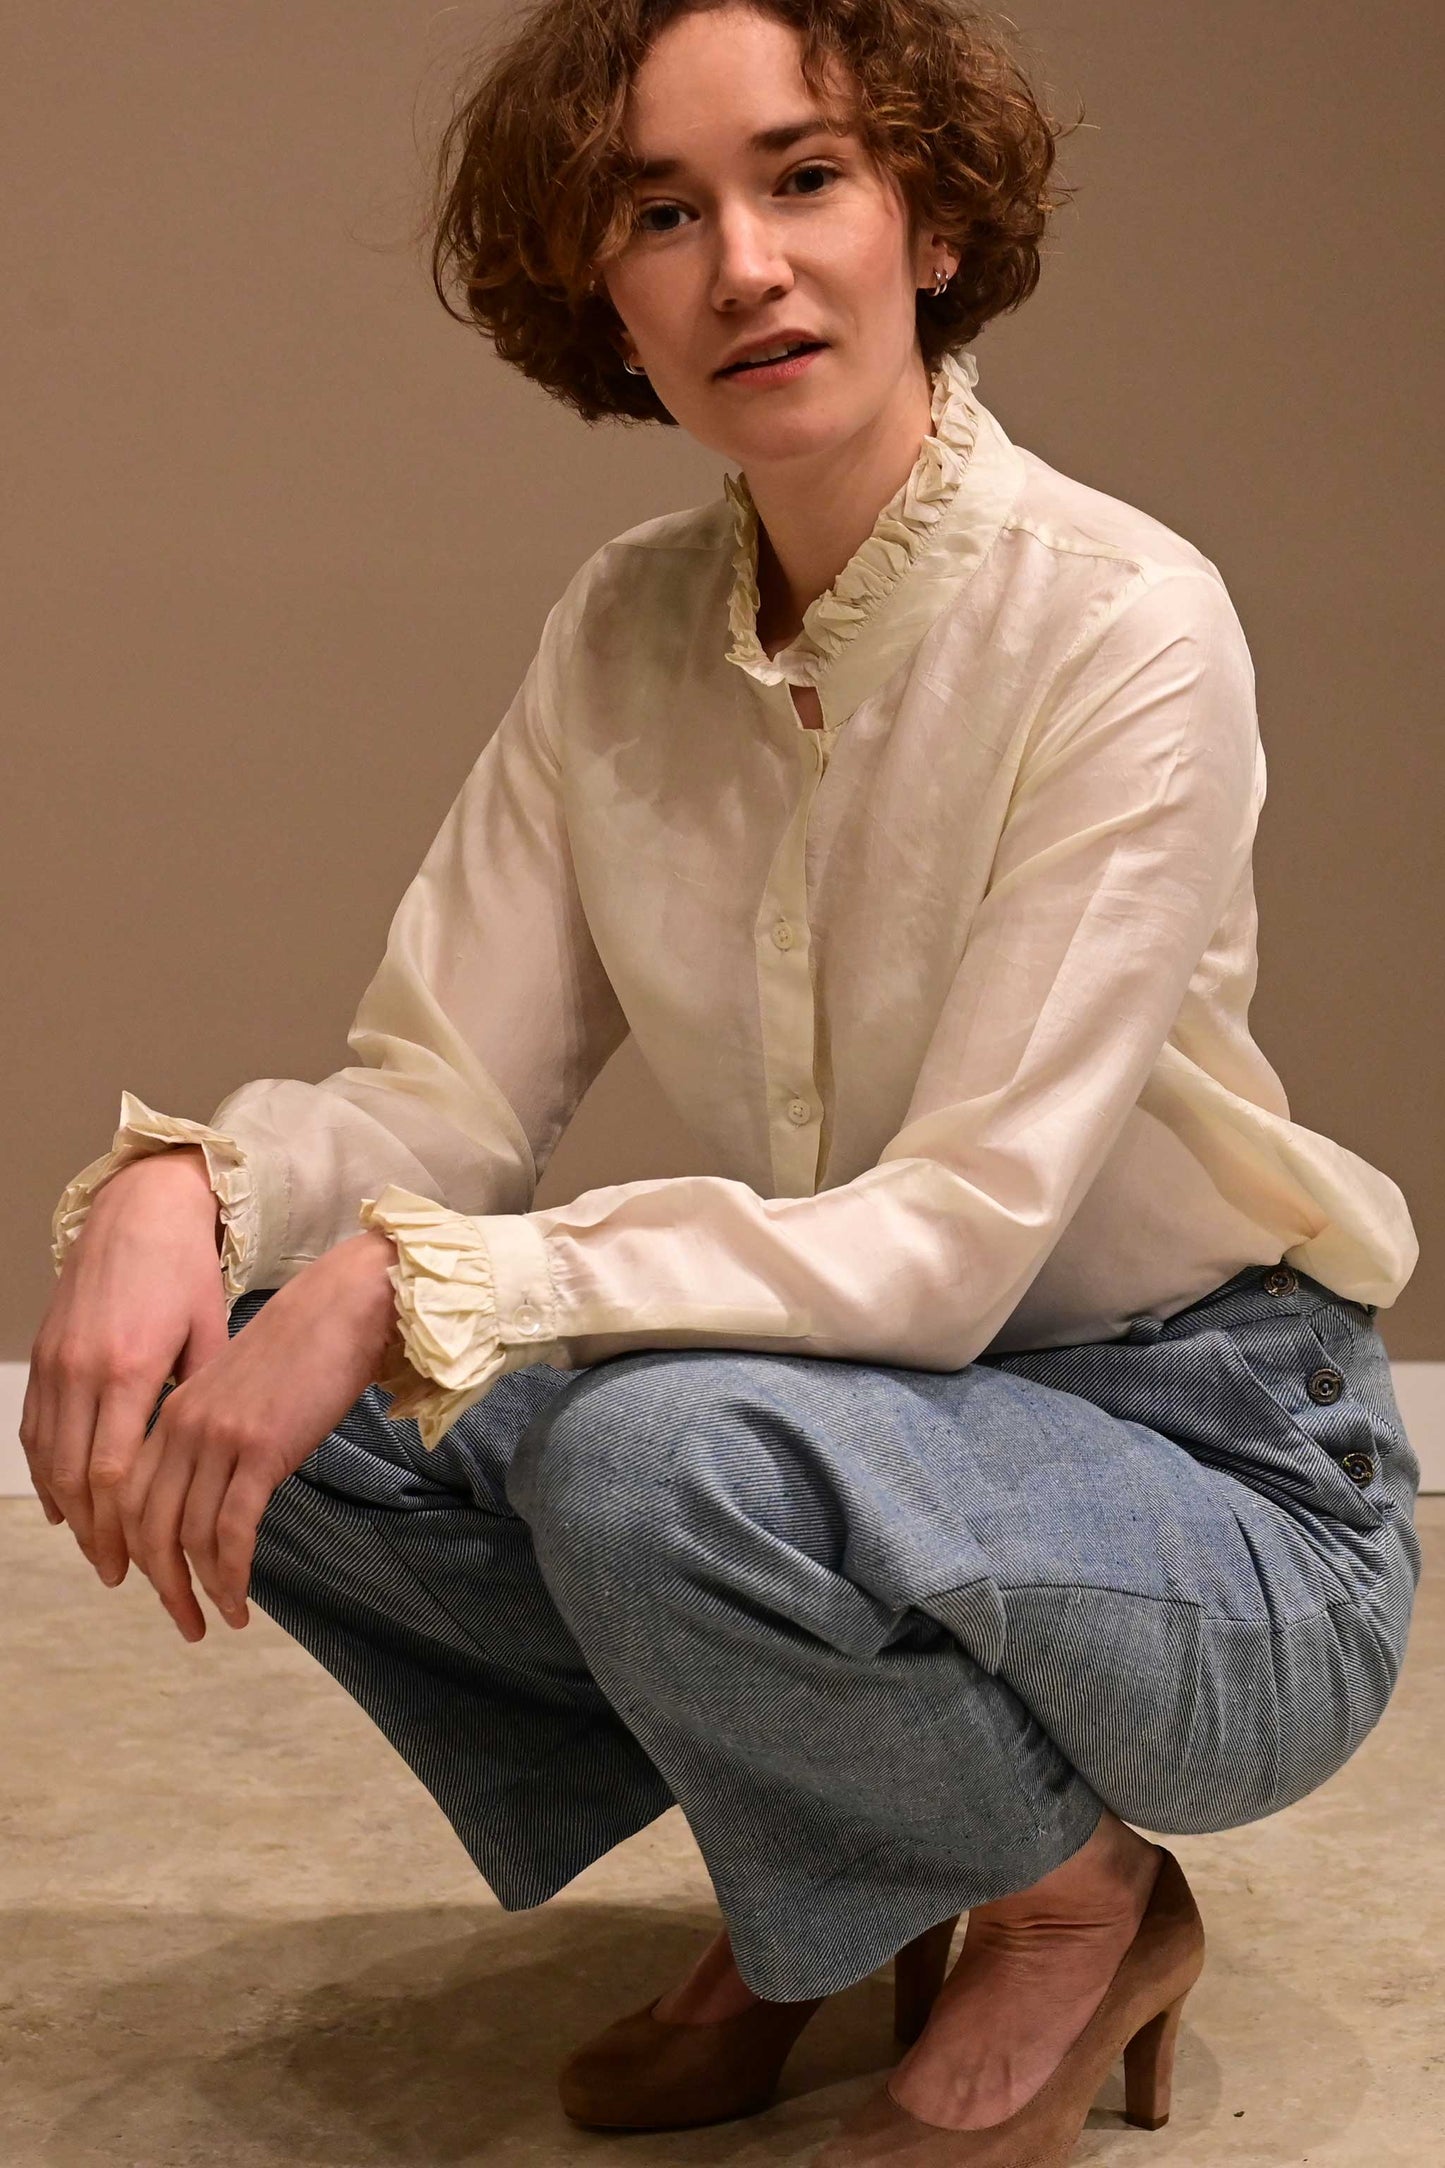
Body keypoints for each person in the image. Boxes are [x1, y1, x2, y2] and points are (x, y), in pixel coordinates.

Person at [23, 1, 1421, 2162]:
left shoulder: (1127, 621)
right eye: (661, 212)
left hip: (1218, 1480)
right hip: (867, 1437)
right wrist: (186, 1197)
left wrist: (406, 1285)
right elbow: (435, 1101)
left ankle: (1077, 1901)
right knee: (252, 1371)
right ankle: (847, 1869)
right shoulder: (621, 634)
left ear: (930, 217)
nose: (742, 265)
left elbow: (953, 1245)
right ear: (603, 289)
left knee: (649, 1458)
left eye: (805, 176)